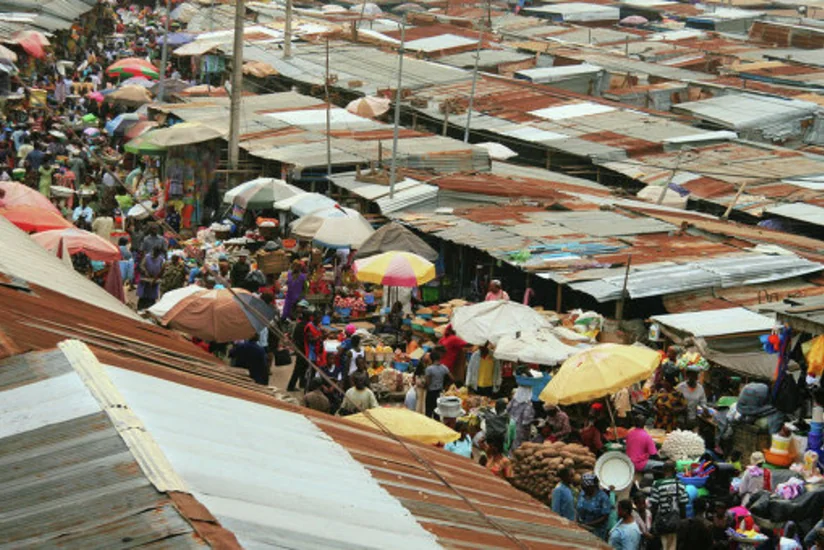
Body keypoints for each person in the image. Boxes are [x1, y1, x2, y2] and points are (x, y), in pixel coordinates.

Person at [649, 461, 688, 550]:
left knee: (664, 545)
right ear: (675, 471)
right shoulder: (680, 484)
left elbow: (654, 506)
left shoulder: (657, 484)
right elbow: (683, 506)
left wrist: (652, 524)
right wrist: (682, 522)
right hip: (675, 522)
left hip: (662, 522)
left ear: (663, 471)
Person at [577, 474, 612, 540]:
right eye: (583, 488)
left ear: (593, 486)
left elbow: (605, 516)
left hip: (596, 531)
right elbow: (578, 508)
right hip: (581, 528)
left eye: (586, 488)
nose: (584, 489)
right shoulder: (582, 494)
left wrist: (588, 524)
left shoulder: (603, 498)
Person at [424, 350, 453, 418]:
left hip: (431, 393)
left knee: (428, 412)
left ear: (431, 359)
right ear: (439, 358)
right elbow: (452, 378)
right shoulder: (444, 368)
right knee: (437, 412)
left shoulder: (429, 369)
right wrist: (446, 386)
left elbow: (427, 382)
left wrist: (425, 386)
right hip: (439, 392)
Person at [287, 309, 308, 392]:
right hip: (303, 349)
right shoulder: (306, 326)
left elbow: (294, 337)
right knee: (299, 368)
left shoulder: (299, 324)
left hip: (299, 349)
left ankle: (302, 383)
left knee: (302, 367)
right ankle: (291, 386)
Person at [137, 245, 165, 310]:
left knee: (152, 297)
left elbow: (161, 269)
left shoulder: (161, 259)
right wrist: (145, 272)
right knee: (143, 296)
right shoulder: (147, 257)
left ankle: (150, 309)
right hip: (146, 278)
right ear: (153, 251)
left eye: (158, 253)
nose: (156, 254)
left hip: (154, 279)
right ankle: (140, 308)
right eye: (155, 253)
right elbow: (141, 266)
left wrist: (159, 276)